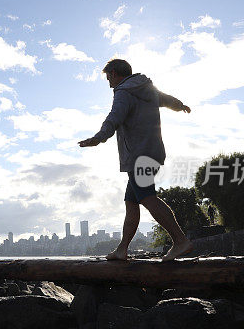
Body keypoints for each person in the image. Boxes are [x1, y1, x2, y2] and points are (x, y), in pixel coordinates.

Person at [78, 59, 193, 262]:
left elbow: (114, 117)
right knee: (131, 202)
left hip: (139, 155)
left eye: (108, 78)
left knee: (147, 198)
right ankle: (122, 249)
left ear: (114, 73)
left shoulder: (124, 92)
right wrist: (180, 105)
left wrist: (98, 138)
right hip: (153, 151)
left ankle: (180, 240)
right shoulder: (146, 88)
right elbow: (165, 99)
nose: (108, 83)